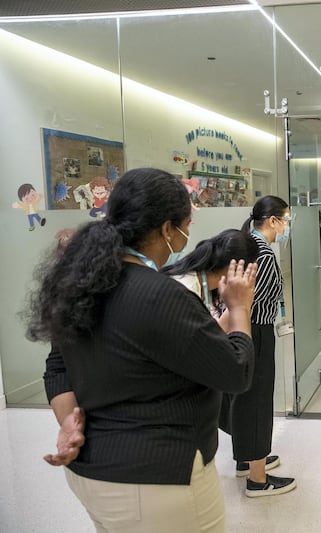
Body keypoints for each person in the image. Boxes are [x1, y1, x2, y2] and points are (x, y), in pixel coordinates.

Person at [28, 168, 257, 532]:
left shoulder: (80, 285)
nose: (187, 233)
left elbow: (57, 365)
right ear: (168, 229)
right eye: (186, 223)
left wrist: (68, 420)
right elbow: (236, 372)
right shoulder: (162, 296)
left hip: (91, 473)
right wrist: (240, 307)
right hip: (158, 480)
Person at [236, 195, 297, 497]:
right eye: (286, 219)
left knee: (245, 399)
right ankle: (257, 480)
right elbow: (250, 298)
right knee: (258, 402)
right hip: (255, 331)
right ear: (273, 220)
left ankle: (247, 460)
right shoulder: (261, 250)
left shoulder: (249, 244)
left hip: (245, 329)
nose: (288, 225)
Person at [162, 228, 259, 326]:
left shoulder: (208, 289)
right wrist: (240, 307)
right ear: (235, 267)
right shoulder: (187, 289)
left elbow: (215, 333)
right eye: (249, 272)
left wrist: (238, 304)